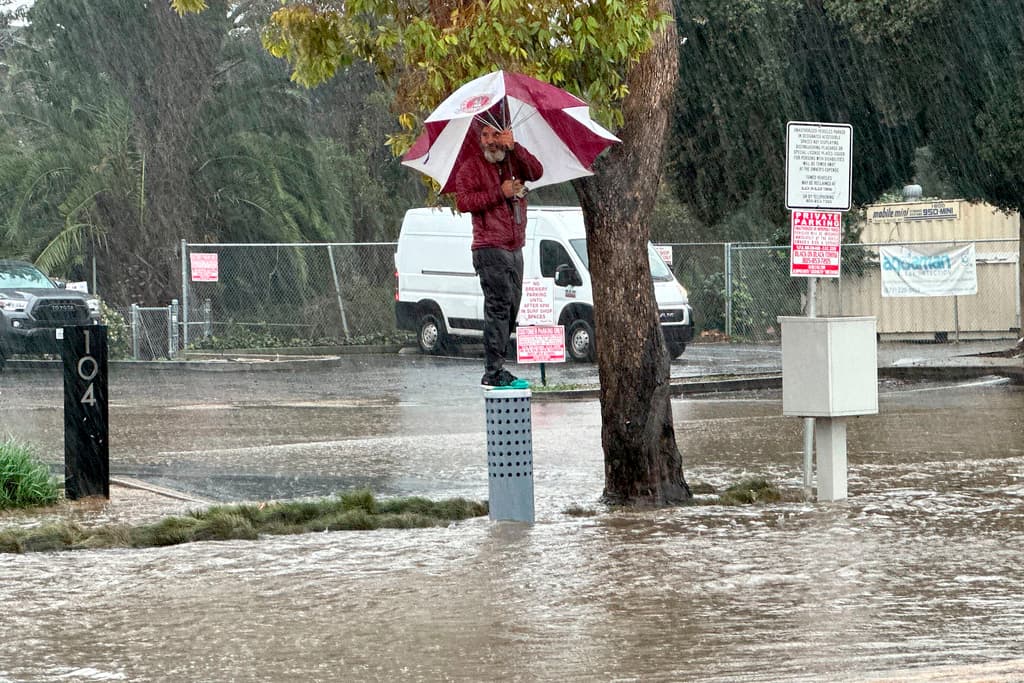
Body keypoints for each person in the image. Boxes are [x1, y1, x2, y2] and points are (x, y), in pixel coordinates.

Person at [455, 122, 543, 387]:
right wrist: (499, 192)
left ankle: (499, 367)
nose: (491, 140)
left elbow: (536, 172)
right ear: (479, 139)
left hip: (515, 246)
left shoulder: (513, 161)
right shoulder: (470, 167)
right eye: (485, 135)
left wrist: (515, 147)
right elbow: (464, 202)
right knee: (498, 307)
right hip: (489, 247)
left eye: (496, 134)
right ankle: (493, 372)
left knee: (511, 307)